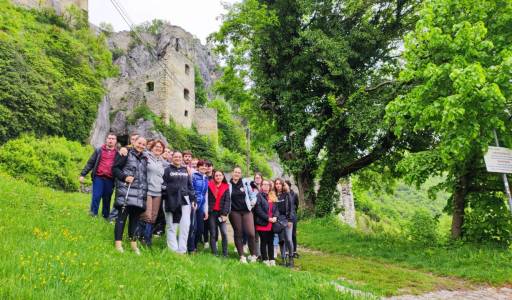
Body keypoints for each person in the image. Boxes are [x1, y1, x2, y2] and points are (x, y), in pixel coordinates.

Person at [112, 136, 148, 255]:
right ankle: (118, 244)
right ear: (134, 142)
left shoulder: (145, 158)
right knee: (121, 219)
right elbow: (115, 169)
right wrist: (124, 177)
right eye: (139, 143)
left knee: (135, 220)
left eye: (143, 144)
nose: (141, 146)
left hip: (139, 194)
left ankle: (133, 245)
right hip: (126, 191)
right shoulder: (126, 153)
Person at [162, 151, 196, 254]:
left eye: (179, 157)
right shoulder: (167, 170)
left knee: (185, 225)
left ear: (182, 159)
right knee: (172, 225)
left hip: (185, 199)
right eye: (175, 156)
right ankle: (173, 249)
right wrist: (167, 195)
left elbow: (190, 186)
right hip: (170, 200)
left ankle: (182, 250)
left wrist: (193, 199)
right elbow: (163, 185)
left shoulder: (186, 170)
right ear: (172, 158)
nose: (177, 158)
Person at [80, 133, 118, 219]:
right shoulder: (99, 150)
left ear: (115, 141)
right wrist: (83, 174)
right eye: (109, 138)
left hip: (110, 179)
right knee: (96, 196)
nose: (111, 140)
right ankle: (93, 214)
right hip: (98, 177)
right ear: (106, 139)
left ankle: (105, 216)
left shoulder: (117, 153)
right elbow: (90, 163)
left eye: (113, 139)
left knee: (107, 199)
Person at [108, 132, 139, 222]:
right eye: (133, 139)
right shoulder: (125, 150)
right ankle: (113, 217)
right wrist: (123, 177)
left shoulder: (141, 152)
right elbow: (116, 166)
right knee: (119, 199)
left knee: (128, 200)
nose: (134, 141)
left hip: (134, 181)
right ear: (130, 140)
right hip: (122, 179)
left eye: (136, 139)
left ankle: (123, 218)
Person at [229, 167, 258, 263]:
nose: (237, 174)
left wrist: (253, 202)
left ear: (241, 174)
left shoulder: (245, 183)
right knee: (238, 232)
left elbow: (252, 195)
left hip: (246, 211)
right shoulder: (228, 185)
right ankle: (242, 256)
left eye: (239, 172)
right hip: (234, 211)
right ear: (232, 173)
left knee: (251, 233)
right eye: (235, 172)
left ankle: (253, 255)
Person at [141, 140, 166, 246]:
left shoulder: (163, 162)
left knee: (154, 217)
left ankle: (148, 239)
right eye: (156, 146)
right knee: (147, 215)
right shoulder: (146, 156)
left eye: (160, 147)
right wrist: (124, 149)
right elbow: (134, 151)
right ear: (151, 147)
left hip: (158, 192)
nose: (158, 148)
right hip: (148, 190)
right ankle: (141, 237)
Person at [254, 179, 278, 266]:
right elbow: (258, 210)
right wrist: (268, 218)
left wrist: (275, 216)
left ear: (270, 186)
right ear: (261, 186)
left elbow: (276, 209)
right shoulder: (258, 196)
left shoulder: (272, 195)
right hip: (262, 223)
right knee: (264, 241)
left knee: (271, 241)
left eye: (267, 184)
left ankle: (272, 259)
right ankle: (265, 259)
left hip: (272, 223)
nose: (266, 186)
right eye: (264, 184)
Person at [207, 170, 231, 257]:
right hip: (212, 213)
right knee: (213, 233)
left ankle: (225, 253)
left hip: (222, 214)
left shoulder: (226, 186)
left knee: (224, 233)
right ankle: (214, 253)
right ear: (214, 177)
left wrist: (225, 214)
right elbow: (208, 199)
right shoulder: (210, 185)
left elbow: (227, 201)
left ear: (223, 176)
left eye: (220, 175)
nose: (218, 177)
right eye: (216, 175)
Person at [187, 160, 209, 252]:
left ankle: (195, 246)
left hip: (201, 205)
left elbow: (206, 195)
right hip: (193, 204)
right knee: (193, 227)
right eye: (202, 166)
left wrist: (206, 210)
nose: (204, 167)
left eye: (205, 166)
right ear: (198, 167)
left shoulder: (206, 178)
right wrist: (192, 201)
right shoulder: (193, 176)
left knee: (200, 228)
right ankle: (191, 248)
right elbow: (190, 189)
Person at [275, 178, 295, 267]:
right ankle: (283, 259)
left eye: (280, 183)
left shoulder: (287, 195)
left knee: (289, 239)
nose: (278, 185)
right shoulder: (274, 195)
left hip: (287, 220)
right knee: (281, 241)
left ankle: (291, 258)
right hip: (279, 221)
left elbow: (291, 208)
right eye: (276, 183)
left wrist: (290, 220)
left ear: (282, 185)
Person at [286, 179, 299, 258]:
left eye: (286, 185)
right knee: (287, 235)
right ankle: (287, 251)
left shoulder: (294, 194)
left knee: (293, 234)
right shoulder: (284, 194)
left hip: (293, 216)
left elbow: (296, 205)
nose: (284, 186)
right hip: (285, 216)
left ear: (289, 186)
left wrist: (293, 213)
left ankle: (294, 251)